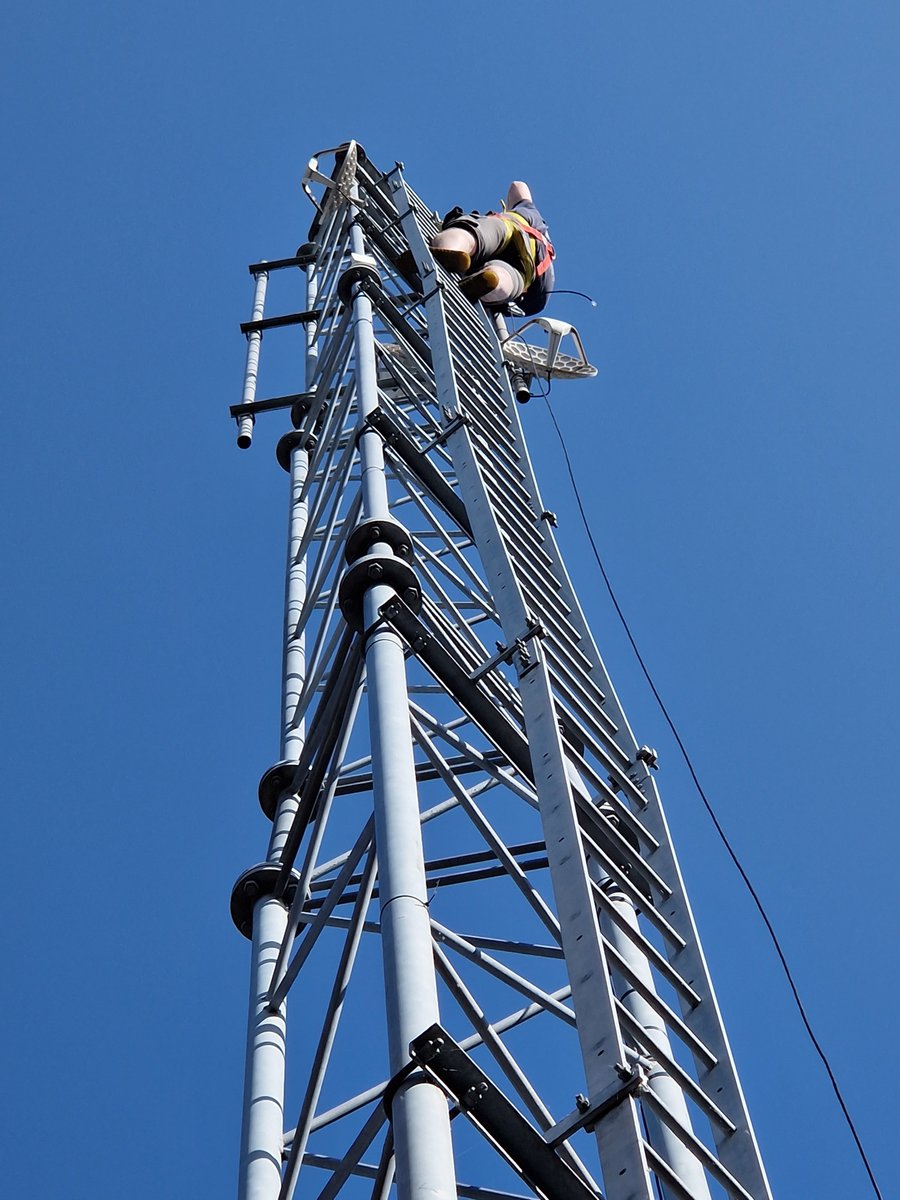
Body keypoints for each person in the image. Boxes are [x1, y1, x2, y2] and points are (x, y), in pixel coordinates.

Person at [430, 181, 555, 314]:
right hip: (527, 270)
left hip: (510, 226)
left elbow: (518, 185)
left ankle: (449, 248)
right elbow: (532, 305)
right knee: (507, 278)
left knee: (473, 235)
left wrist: (509, 207)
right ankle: (493, 280)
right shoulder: (545, 284)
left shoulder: (529, 210)